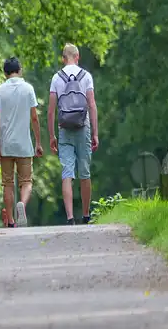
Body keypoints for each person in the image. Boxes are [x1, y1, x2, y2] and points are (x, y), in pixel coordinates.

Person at [47, 43, 99, 225]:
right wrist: (96, 133)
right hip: (83, 127)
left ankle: (70, 217)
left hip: (64, 129)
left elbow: (51, 110)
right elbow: (92, 105)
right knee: (84, 172)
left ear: (63, 58)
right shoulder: (86, 76)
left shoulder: (56, 78)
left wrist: (52, 135)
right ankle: (86, 215)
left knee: (67, 173)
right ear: (78, 57)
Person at [0, 57, 43, 228]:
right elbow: (34, 117)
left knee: (7, 183)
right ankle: (22, 203)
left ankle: (12, 222)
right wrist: (38, 142)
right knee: (26, 181)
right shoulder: (28, 89)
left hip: (6, 145)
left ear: (5, 73)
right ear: (20, 70)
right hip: (24, 144)